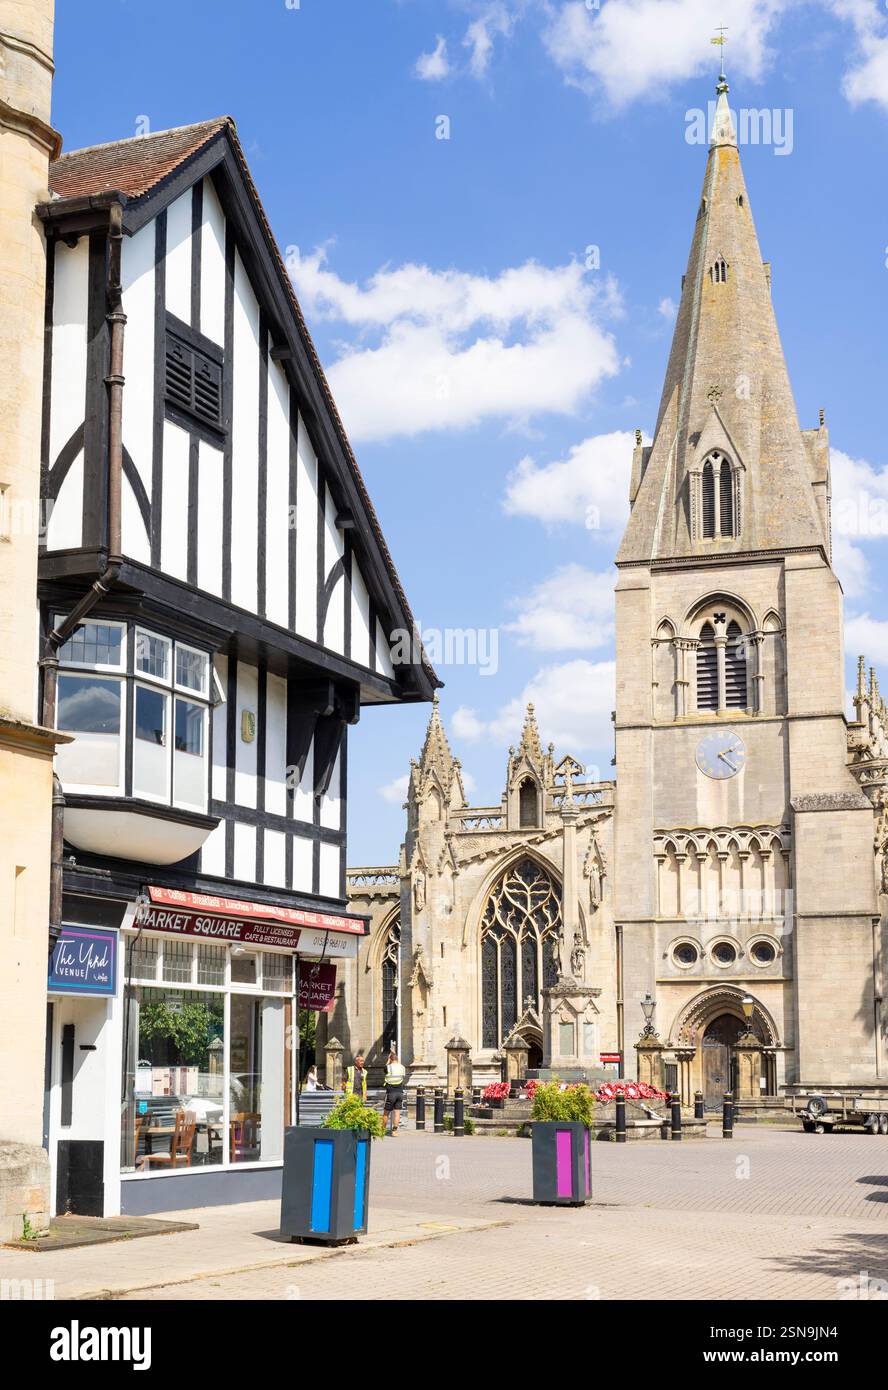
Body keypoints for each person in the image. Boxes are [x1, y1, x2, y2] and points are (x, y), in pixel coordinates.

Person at [382, 1050, 407, 1135]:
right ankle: (394, 1131)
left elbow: (385, 1069)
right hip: (400, 1093)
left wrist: (388, 1060)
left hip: (391, 1093)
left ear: (390, 1059)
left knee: (386, 1113)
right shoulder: (402, 1067)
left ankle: (382, 1130)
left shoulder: (388, 1067)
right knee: (397, 1113)